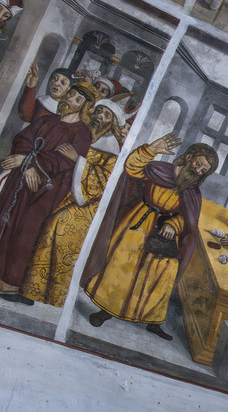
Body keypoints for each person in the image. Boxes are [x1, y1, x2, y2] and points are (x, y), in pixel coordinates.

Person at [81, 136, 216, 338]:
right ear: (188, 157)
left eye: (203, 171)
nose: (198, 171)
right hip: (139, 222)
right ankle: (106, 310)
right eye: (198, 164)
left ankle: (152, 320)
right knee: (123, 263)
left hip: (165, 235)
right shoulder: (159, 170)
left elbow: (188, 220)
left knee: (164, 273)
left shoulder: (193, 193)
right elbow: (131, 168)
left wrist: (174, 224)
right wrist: (149, 150)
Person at [21, 92, 130, 306]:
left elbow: (102, 183)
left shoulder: (112, 150)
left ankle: (52, 294)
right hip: (64, 190)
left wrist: (78, 160)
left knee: (58, 224)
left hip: (86, 204)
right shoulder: (81, 133)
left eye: (106, 115)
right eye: (99, 111)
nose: (99, 116)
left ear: (112, 125)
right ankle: (27, 286)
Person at [0, 77, 95, 302]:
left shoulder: (82, 133)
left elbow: (63, 161)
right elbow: (22, 139)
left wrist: (29, 162)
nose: (71, 99)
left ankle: (11, 284)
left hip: (48, 190)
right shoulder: (47, 120)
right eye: (71, 94)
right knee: (8, 222)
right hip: (22, 180)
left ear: (84, 106)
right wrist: (26, 164)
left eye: (78, 99)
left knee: (27, 231)